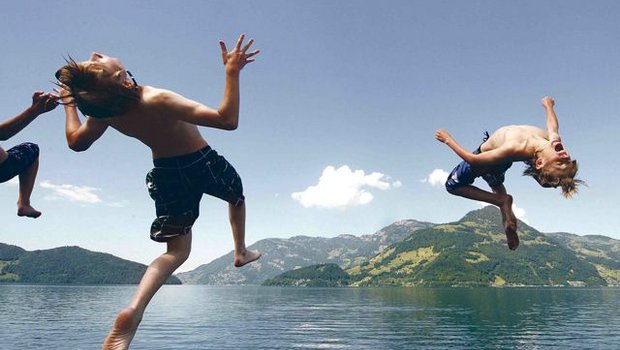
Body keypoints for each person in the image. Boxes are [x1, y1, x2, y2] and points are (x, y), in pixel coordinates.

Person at [55, 34, 261, 350]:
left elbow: (76, 142)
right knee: (236, 196)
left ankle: (134, 310)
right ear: (122, 81)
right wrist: (231, 72)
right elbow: (227, 120)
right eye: (95, 61)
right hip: (202, 161)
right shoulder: (157, 98)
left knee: (175, 253)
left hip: (166, 174)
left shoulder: (104, 112)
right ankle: (240, 251)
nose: (96, 52)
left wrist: (69, 105)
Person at [435, 96, 582, 250]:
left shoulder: (515, 147)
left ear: (539, 162)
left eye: (560, 162)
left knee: (452, 185)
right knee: (495, 182)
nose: (564, 157)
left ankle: (500, 201)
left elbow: (474, 160)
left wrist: (448, 140)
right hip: (500, 163)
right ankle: (506, 212)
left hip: (484, 160)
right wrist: (549, 107)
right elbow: (552, 125)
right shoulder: (552, 141)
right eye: (568, 160)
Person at [0, 92, 58, 218]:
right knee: (31, 148)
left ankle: (24, 204)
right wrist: (34, 111)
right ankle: (24, 203)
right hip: (3, 167)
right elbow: (3, 133)